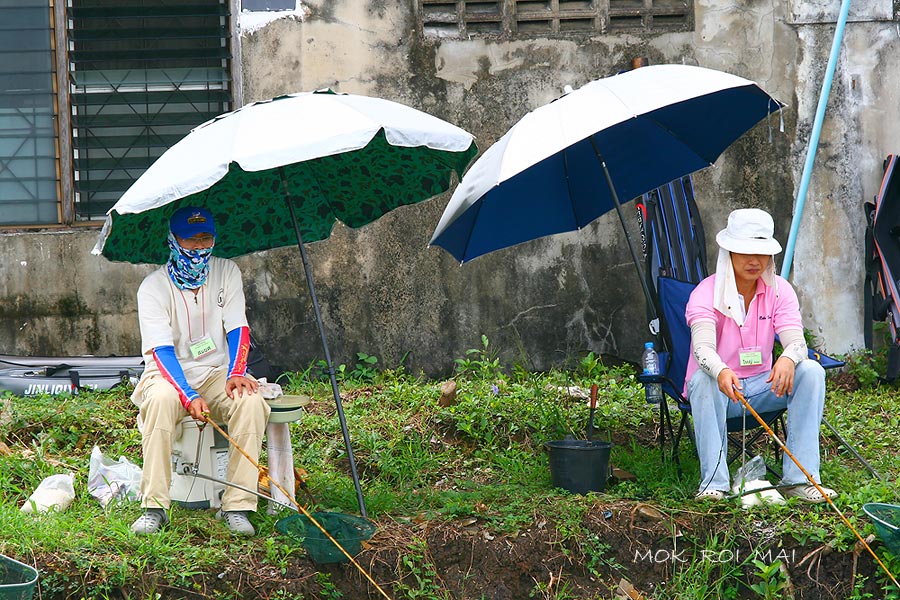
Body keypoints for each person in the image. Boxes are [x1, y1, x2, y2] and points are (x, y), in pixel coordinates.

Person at [130, 206, 270, 535]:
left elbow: (238, 327)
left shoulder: (227, 271)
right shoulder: (153, 287)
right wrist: (187, 394)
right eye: (190, 240)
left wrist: (237, 371)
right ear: (173, 240)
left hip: (215, 372)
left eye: (206, 238)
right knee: (162, 401)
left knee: (250, 402)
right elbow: (161, 351)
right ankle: (154, 506)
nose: (199, 247)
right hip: (165, 375)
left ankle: (236, 505)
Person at [684, 208, 836, 503]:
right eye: (745, 252)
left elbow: (796, 342)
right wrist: (721, 371)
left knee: (811, 371)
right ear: (728, 252)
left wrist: (788, 358)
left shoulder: (781, 291)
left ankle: (800, 480)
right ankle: (714, 485)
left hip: (763, 386)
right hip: (719, 391)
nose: (755, 261)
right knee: (703, 379)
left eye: (762, 253)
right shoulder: (705, 293)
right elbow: (702, 349)